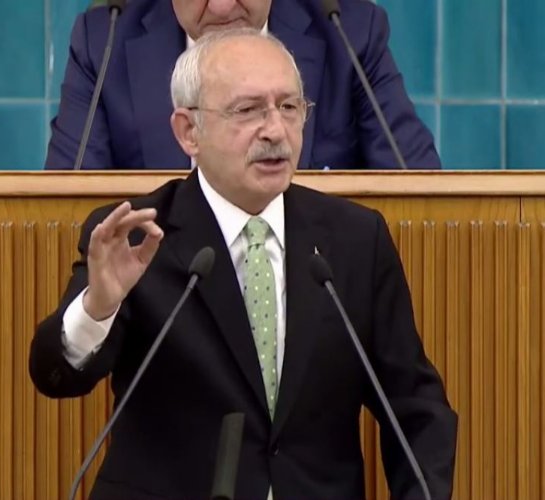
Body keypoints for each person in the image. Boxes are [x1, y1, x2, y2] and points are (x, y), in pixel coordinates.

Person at [30, 29, 456, 499]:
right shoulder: (138, 236)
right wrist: (98, 308)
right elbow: (57, 376)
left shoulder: (355, 240)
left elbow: (414, 406)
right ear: (189, 131)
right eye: (248, 110)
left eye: (289, 107)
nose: (275, 130)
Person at [44, 0, 441, 170]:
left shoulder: (346, 31)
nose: (220, 7)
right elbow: (66, 206)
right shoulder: (105, 42)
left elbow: (419, 192)